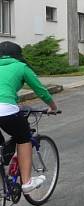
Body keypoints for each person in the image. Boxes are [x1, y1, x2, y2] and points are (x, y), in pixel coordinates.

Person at [0, 42, 59, 193]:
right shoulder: (21, 67)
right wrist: (53, 107)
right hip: (6, 110)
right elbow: (41, 91)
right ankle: (26, 182)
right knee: (23, 138)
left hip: (7, 107)